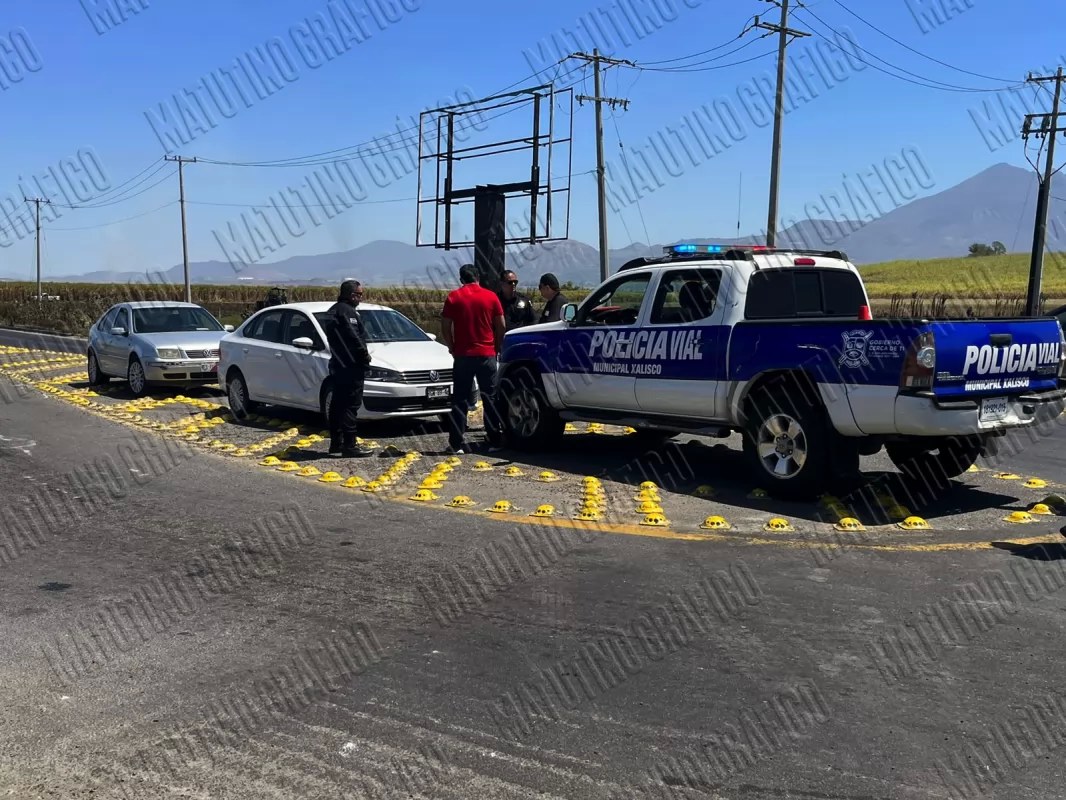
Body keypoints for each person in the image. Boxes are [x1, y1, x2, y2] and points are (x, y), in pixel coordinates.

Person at [440, 264, 506, 455]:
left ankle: (456, 443)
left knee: (460, 399)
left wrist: (451, 346)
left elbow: (445, 325)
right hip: (486, 354)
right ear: (478, 277)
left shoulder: (454, 297)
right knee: (490, 398)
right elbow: (501, 325)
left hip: (463, 355)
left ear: (461, 279)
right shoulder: (491, 296)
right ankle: (494, 439)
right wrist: (496, 346)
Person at [322, 280, 376, 458]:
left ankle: (336, 443)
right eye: (359, 295)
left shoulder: (333, 311)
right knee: (350, 405)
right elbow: (353, 337)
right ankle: (350, 445)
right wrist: (364, 356)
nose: (360, 298)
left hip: (338, 364)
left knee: (337, 405)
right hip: (351, 366)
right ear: (352, 295)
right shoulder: (347, 312)